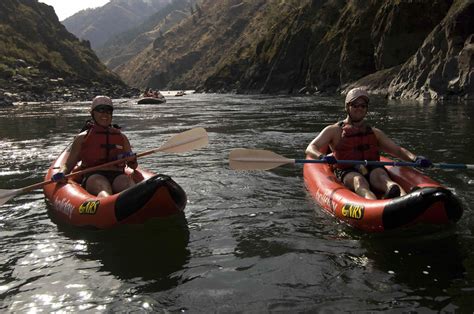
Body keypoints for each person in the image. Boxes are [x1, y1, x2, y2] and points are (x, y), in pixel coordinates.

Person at [305, 87, 432, 200]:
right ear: (347, 107)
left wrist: (415, 158)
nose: (359, 108)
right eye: (355, 105)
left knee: (383, 177)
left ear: (366, 109)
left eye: (363, 105)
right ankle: (372, 204)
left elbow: (397, 150)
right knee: (358, 181)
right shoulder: (333, 130)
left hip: (372, 168)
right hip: (347, 170)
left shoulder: (374, 133)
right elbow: (311, 147)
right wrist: (322, 157)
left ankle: (403, 198)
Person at [52, 96, 138, 198]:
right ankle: (106, 206)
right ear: (92, 113)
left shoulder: (121, 137)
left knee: (129, 185)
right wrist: (62, 172)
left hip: (117, 174)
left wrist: (132, 160)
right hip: (93, 175)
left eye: (108, 111)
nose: (105, 114)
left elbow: (133, 166)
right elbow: (69, 164)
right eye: (100, 110)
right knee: (103, 188)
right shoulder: (82, 138)